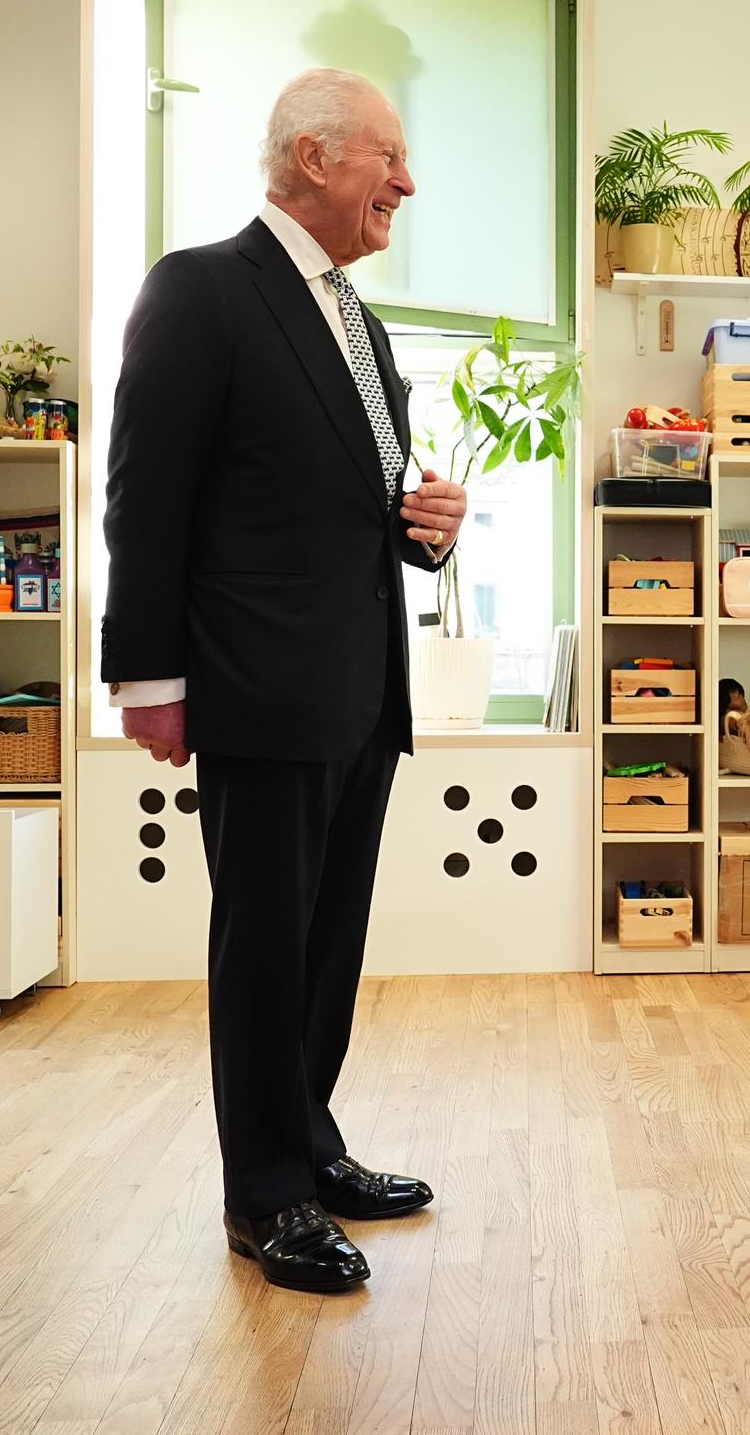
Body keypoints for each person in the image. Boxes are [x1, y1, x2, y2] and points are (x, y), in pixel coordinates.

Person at [102, 68, 467, 1295]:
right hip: (257, 687)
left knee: (325, 938)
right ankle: (262, 1194)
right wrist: (147, 676)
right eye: (389, 159)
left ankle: (309, 1146)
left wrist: (434, 526)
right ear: (314, 158)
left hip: (360, 687)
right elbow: (144, 496)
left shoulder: (354, 320)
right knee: (262, 944)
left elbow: (359, 506)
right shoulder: (202, 290)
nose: (406, 185)